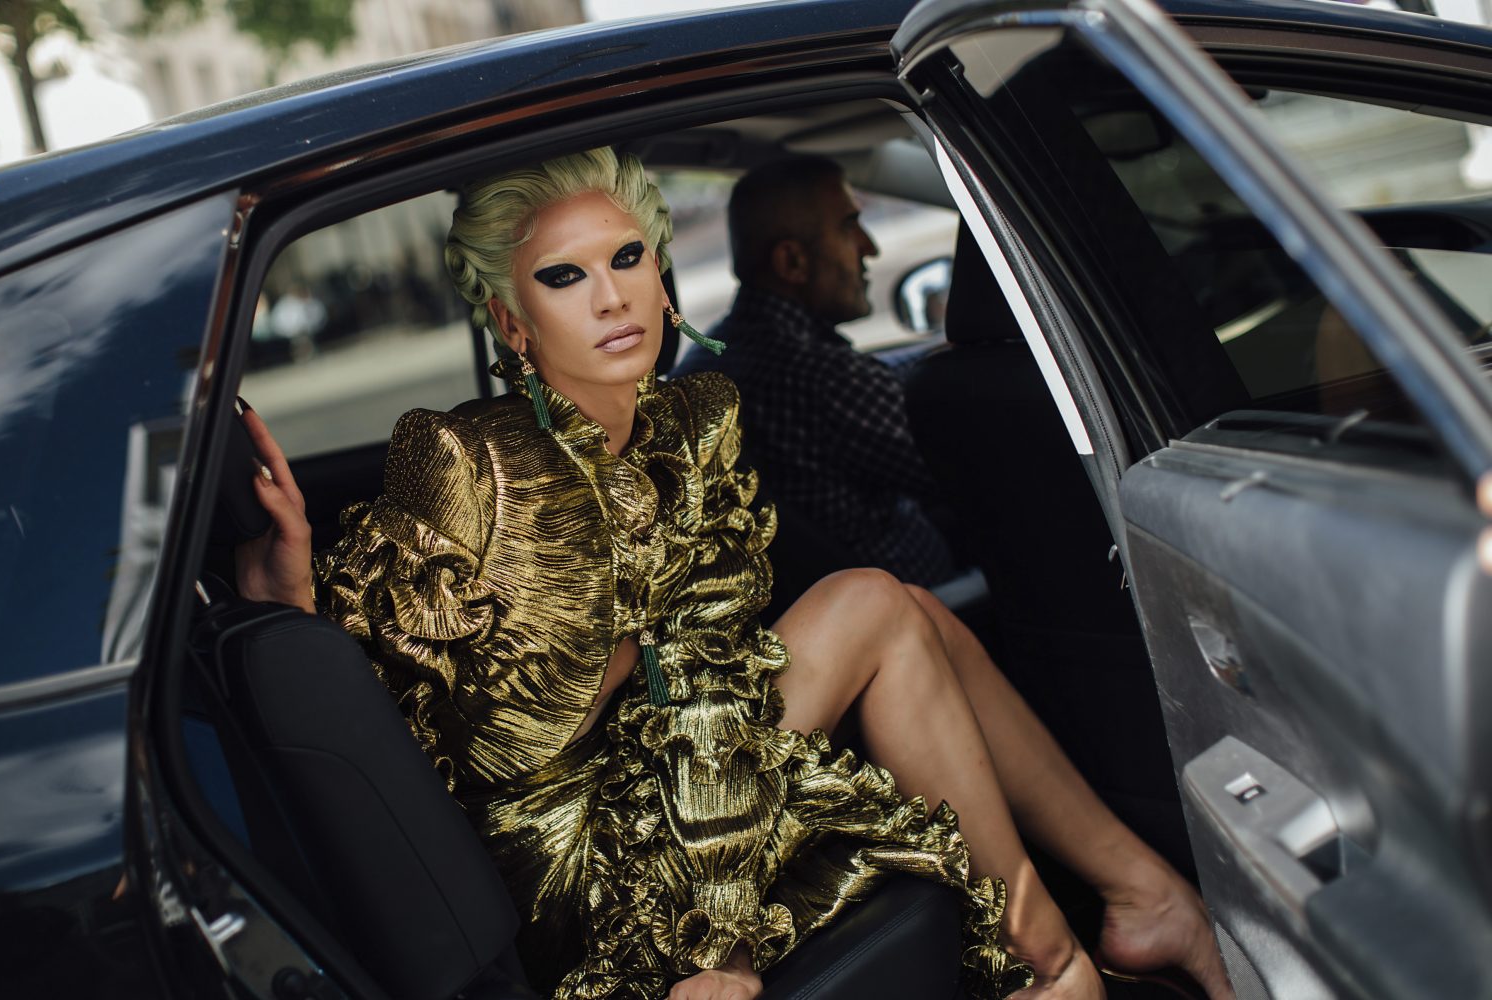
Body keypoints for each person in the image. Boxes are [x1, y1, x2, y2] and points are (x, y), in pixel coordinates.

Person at [235, 148, 1231, 1000]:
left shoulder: (682, 429)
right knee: (874, 606)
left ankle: (1140, 901)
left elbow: (705, 680)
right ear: (511, 321)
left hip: (677, 770)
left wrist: (718, 912)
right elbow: (392, 703)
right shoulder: (464, 458)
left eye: (628, 258)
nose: (613, 296)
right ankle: (1056, 963)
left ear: (663, 275)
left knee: (908, 610)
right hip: (568, 855)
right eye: (564, 277)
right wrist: (288, 603)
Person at [673, 156, 953, 587]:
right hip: (928, 598)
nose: (869, 247)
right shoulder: (821, 375)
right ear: (792, 262)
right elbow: (967, 469)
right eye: (849, 226)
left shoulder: (707, 361)